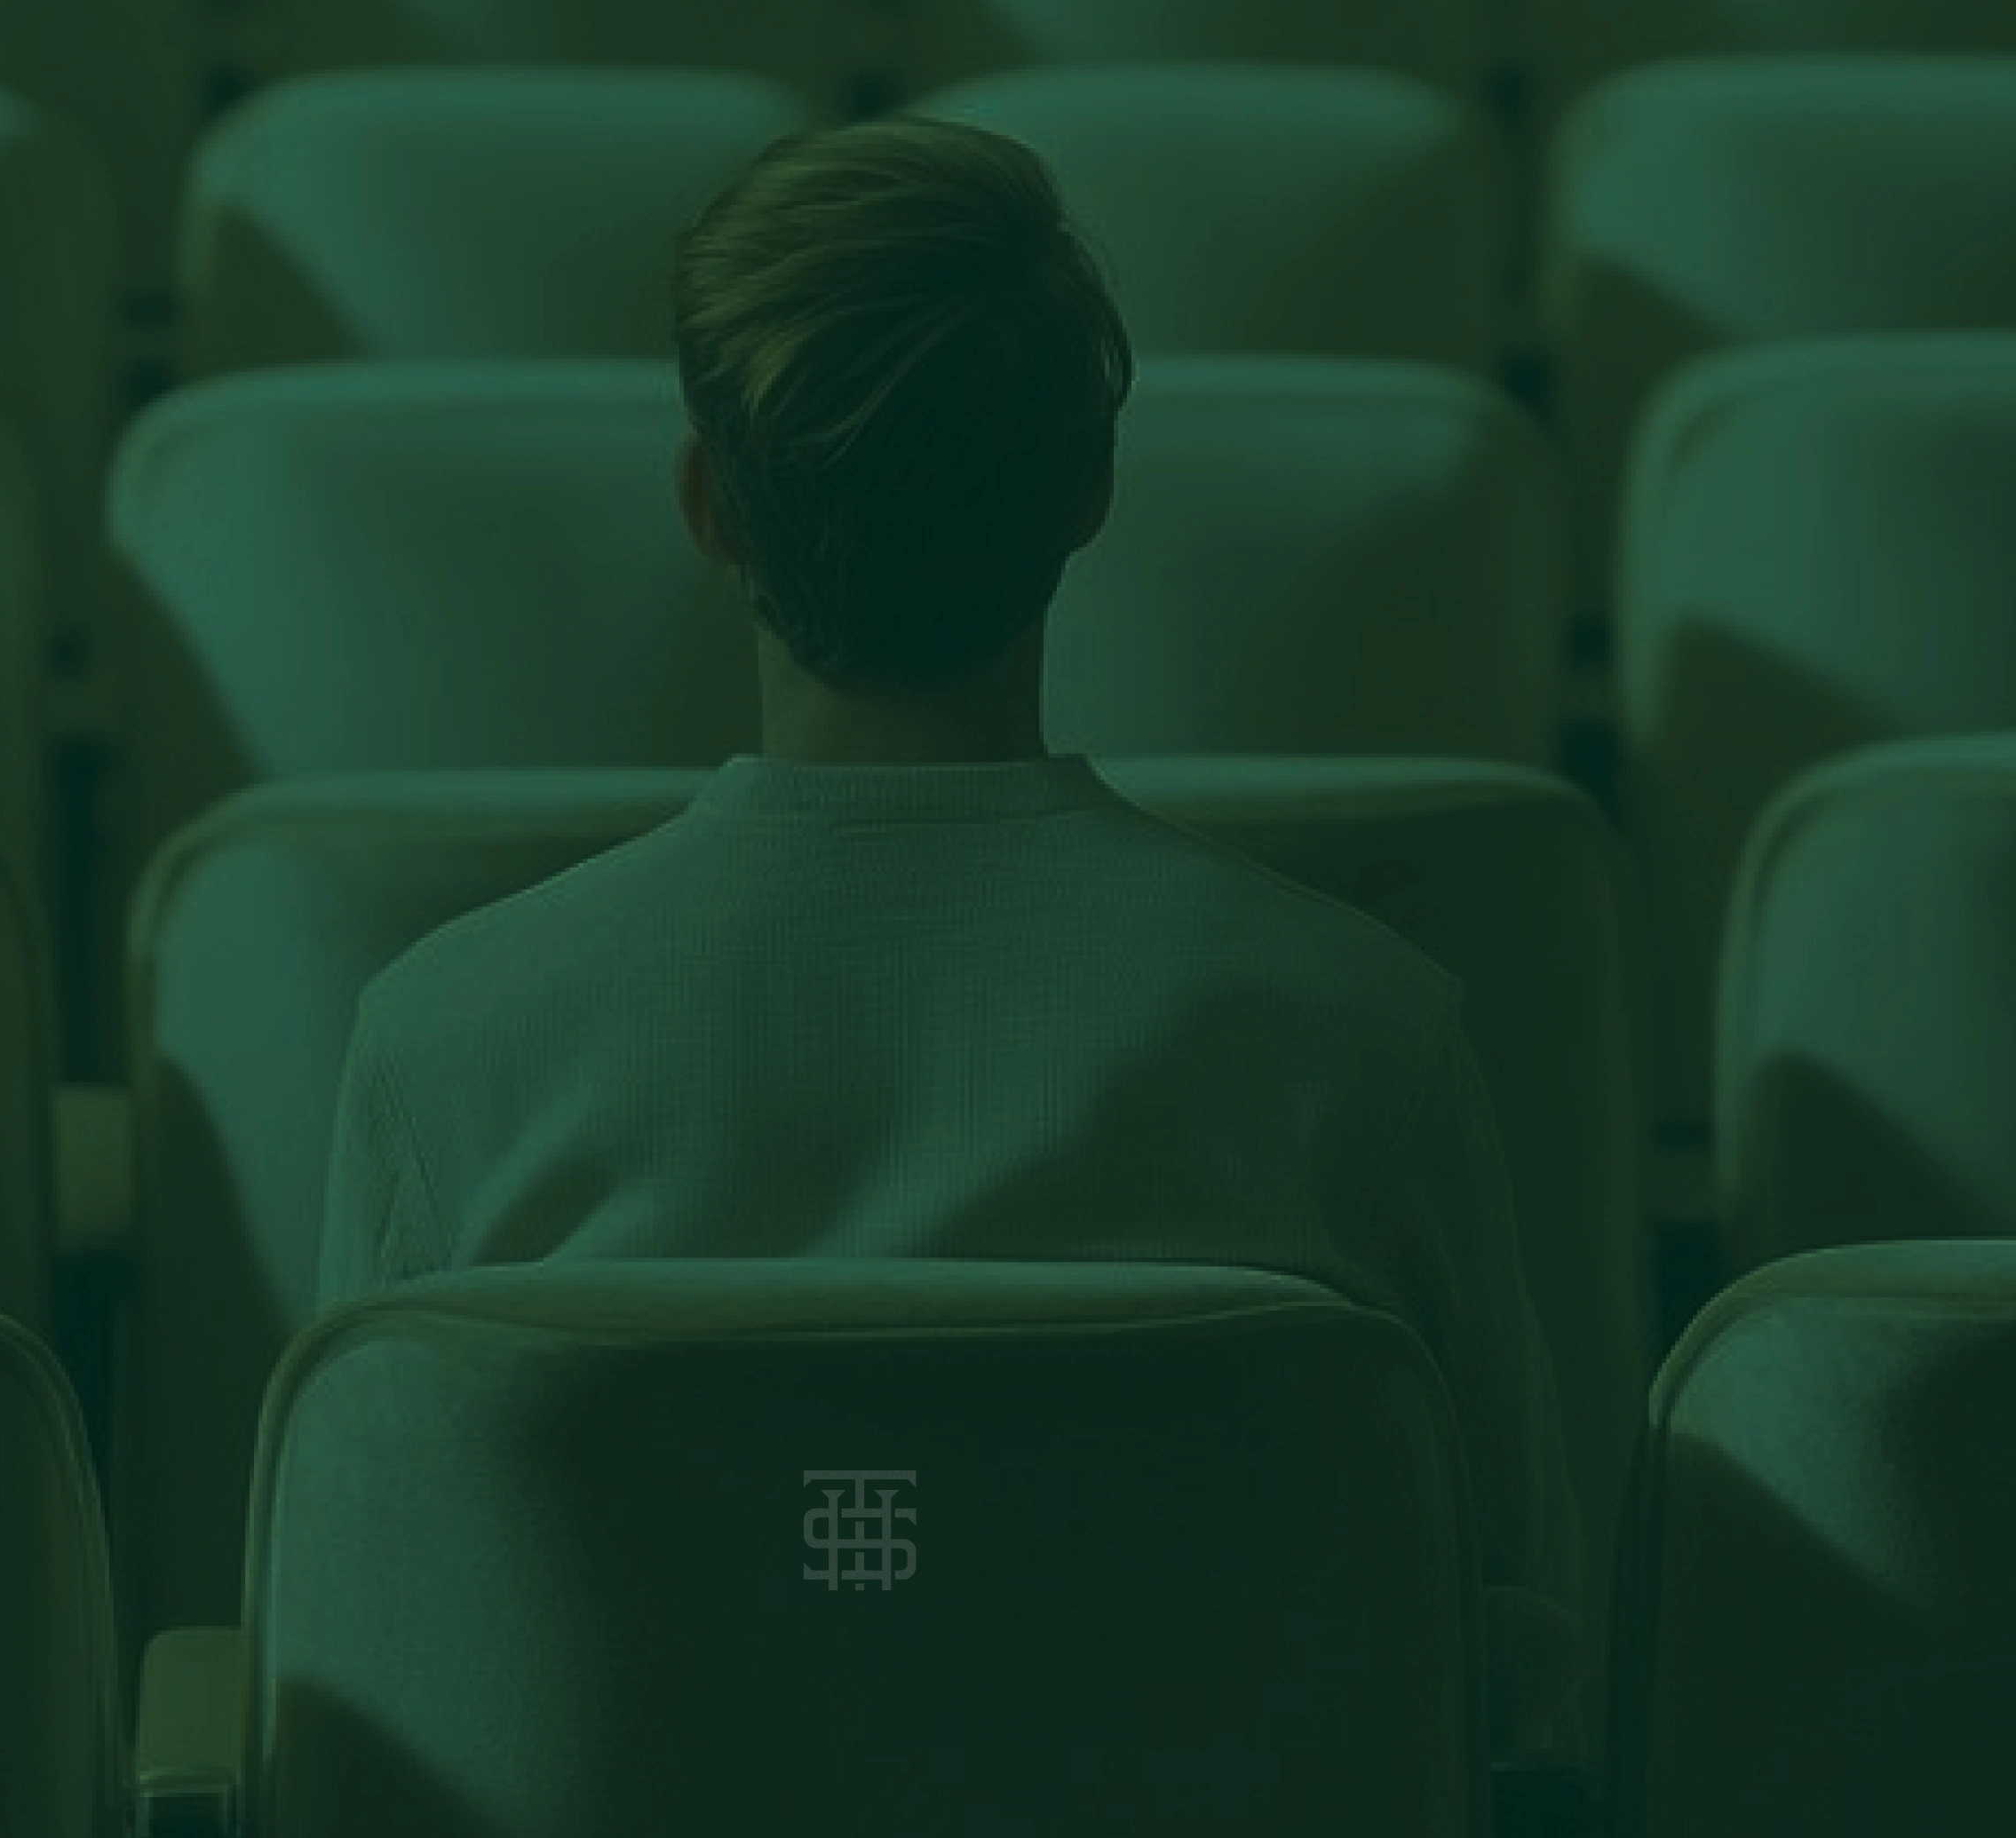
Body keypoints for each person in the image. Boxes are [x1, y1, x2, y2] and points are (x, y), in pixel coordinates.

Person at [317, 115, 1583, 1761]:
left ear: (707, 504)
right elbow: (1512, 1682)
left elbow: (366, 1660)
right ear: (1089, 488)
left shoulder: (443, 1044)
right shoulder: (1360, 1040)